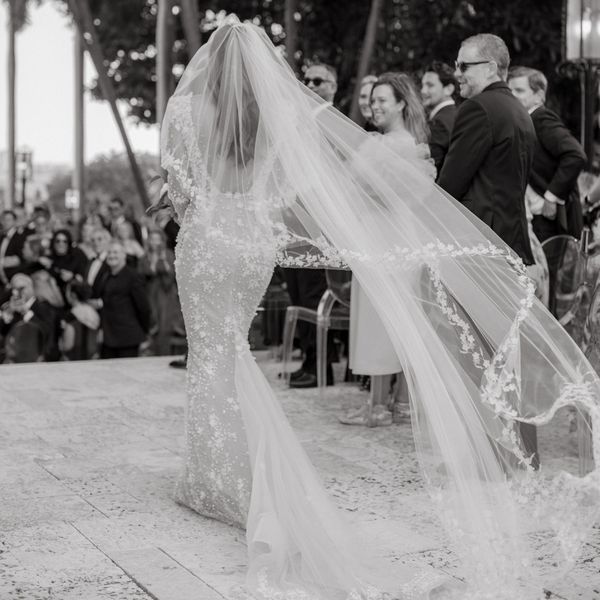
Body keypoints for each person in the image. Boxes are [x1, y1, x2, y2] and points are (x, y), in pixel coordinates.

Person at [159, 19, 600, 600]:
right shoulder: (276, 119)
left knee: (209, 355)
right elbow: (287, 192)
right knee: (231, 349)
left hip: (206, 243)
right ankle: (226, 473)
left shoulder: (187, 113)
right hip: (250, 249)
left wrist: (194, 202)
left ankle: (220, 475)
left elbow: (183, 191)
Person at [345, 72, 435, 426]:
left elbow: (385, 193)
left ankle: (379, 406)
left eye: (383, 100)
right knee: (399, 320)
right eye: (373, 100)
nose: (375, 106)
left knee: (381, 319)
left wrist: (360, 187)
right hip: (396, 239)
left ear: (401, 103)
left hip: (386, 241)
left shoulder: (391, 145)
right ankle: (399, 403)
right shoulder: (408, 144)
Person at [438, 34, 536, 266]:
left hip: (478, 241)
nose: (457, 73)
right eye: (456, 66)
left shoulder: (478, 108)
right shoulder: (519, 109)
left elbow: (451, 184)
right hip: (511, 238)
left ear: (491, 68)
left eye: (464, 66)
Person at [283, 61, 339, 388]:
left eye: (318, 80)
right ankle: (310, 358)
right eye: (306, 80)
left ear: (333, 86)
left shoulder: (332, 122)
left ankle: (320, 366)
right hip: (293, 219)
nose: (310, 85)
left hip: (316, 222)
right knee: (297, 291)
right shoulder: (298, 123)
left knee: (311, 292)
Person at [508, 66, 586, 241]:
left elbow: (575, 155)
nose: (512, 95)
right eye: (509, 90)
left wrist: (552, 197)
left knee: (551, 268)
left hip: (550, 217)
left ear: (539, 95)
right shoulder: (523, 120)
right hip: (532, 215)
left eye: (519, 90)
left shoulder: (542, 119)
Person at [98, 241, 151, 359]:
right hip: (109, 337)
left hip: (128, 337)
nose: (111, 255)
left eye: (115, 252)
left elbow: (143, 307)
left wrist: (144, 332)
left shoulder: (133, 276)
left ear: (124, 255)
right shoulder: (106, 276)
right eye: (109, 252)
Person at [138, 229, 180, 355]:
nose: (154, 242)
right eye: (152, 239)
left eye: (157, 239)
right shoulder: (144, 257)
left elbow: (173, 273)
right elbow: (143, 274)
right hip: (150, 294)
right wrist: (153, 262)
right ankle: (151, 352)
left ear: (162, 240)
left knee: (165, 324)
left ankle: (164, 353)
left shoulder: (169, 254)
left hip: (166, 295)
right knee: (152, 322)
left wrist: (163, 261)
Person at [0, 273, 58, 362]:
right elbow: (4, 333)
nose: (16, 293)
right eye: (14, 289)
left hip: (38, 358)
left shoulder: (45, 307)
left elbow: (47, 332)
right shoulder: (10, 308)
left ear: (31, 287)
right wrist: (9, 315)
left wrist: (26, 313)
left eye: (21, 288)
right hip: (14, 358)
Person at [420, 61, 458, 175]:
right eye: (423, 85)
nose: (423, 91)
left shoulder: (439, 122)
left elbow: (427, 169)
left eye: (430, 85)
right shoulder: (456, 114)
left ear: (448, 89)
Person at [0, 210, 27, 290]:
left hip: (12, 278)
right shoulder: (2, 237)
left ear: (14, 221)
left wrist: (2, 262)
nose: (5, 222)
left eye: (8, 220)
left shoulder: (20, 237)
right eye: (3, 219)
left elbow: (20, 258)